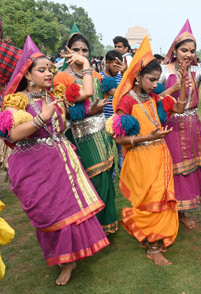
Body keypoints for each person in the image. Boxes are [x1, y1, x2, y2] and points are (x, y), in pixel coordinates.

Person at [0, 36, 109, 285]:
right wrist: (40, 119)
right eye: (42, 70)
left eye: (50, 68)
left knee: (68, 210)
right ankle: (62, 258)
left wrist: (86, 65)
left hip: (62, 161)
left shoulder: (57, 94)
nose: (49, 73)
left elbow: (88, 91)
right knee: (48, 214)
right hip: (33, 168)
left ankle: (68, 261)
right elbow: (12, 134)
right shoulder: (18, 101)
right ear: (28, 75)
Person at [108, 36, 188, 266]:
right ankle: (153, 248)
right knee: (150, 202)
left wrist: (181, 86)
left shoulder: (152, 97)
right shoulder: (125, 102)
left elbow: (180, 108)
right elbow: (119, 137)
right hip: (141, 158)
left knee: (161, 200)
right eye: (151, 80)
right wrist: (148, 137)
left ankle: (153, 242)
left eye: (157, 80)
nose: (155, 84)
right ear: (138, 76)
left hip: (160, 155)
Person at [159, 20, 201, 229]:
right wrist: (172, 90)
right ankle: (169, 212)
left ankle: (182, 212)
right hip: (170, 125)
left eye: (191, 51)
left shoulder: (197, 72)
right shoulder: (163, 71)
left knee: (190, 169)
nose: (188, 54)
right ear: (175, 50)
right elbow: (153, 98)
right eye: (183, 50)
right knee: (172, 168)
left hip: (191, 126)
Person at [53, 25, 118, 235]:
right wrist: (90, 112)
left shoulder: (95, 75)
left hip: (102, 132)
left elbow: (117, 93)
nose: (81, 54)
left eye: (85, 50)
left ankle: (108, 227)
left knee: (107, 176)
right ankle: (93, 231)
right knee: (94, 181)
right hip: (81, 136)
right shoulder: (61, 78)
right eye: (76, 50)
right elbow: (65, 113)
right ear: (67, 50)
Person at [100, 50, 124, 180]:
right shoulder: (98, 77)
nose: (117, 69)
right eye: (115, 65)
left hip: (120, 119)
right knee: (107, 151)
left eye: (119, 66)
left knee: (122, 151)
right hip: (104, 119)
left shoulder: (122, 78)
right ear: (107, 62)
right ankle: (112, 176)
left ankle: (124, 176)